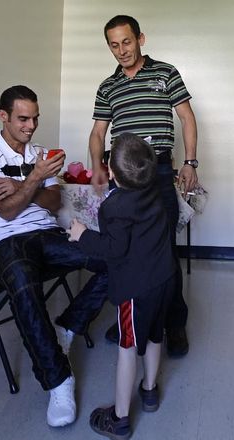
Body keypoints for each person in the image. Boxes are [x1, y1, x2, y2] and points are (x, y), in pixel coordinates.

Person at [0, 85, 108, 428]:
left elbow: (54, 203)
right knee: (23, 286)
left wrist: (19, 187)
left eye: (35, 118)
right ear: (3, 116)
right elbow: (5, 213)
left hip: (47, 236)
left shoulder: (42, 153)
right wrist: (34, 180)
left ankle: (68, 326)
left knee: (115, 259)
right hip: (7, 242)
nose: (30, 127)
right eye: (22, 119)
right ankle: (59, 381)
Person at [89, 14, 199, 357]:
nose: (121, 50)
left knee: (163, 252)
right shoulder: (108, 86)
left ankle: (174, 323)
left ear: (140, 39)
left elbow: (186, 117)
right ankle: (130, 316)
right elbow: (97, 133)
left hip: (160, 174)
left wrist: (190, 162)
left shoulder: (165, 73)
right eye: (114, 44)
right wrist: (96, 166)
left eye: (127, 41)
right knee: (123, 251)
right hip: (122, 180)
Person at [68, 133, 176, 439]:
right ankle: (150, 390)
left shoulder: (114, 207)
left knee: (127, 347)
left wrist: (81, 235)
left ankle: (120, 419)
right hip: (165, 279)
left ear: (111, 171)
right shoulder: (154, 191)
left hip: (136, 290)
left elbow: (113, 249)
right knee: (156, 335)